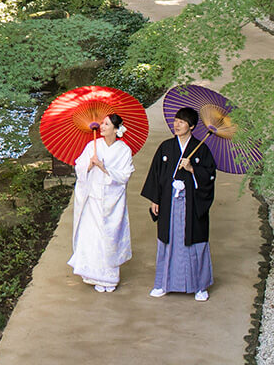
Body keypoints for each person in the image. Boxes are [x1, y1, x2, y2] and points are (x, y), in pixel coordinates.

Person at [141, 106, 217, 301]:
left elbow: (209, 177)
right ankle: (163, 283)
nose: (177, 124)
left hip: (192, 204)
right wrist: (155, 199)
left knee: (194, 241)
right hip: (169, 203)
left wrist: (193, 169)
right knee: (168, 240)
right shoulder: (166, 148)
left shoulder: (202, 149)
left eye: (182, 122)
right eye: (176, 121)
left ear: (191, 126)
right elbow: (156, 175)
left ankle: (200, 286)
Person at [67, 113, 134, 292]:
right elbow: (79, 167)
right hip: (93, 197)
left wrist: (104, 167)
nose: (102, 127)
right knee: (93, 236)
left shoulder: (124, 150)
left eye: (106, 124)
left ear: (116, 129)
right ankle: (93, 275)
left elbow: (125, 175)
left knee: (111, 235)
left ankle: (110, 278)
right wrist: (90, 165)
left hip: (113, 199)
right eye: (102, 124)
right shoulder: (93, 145)